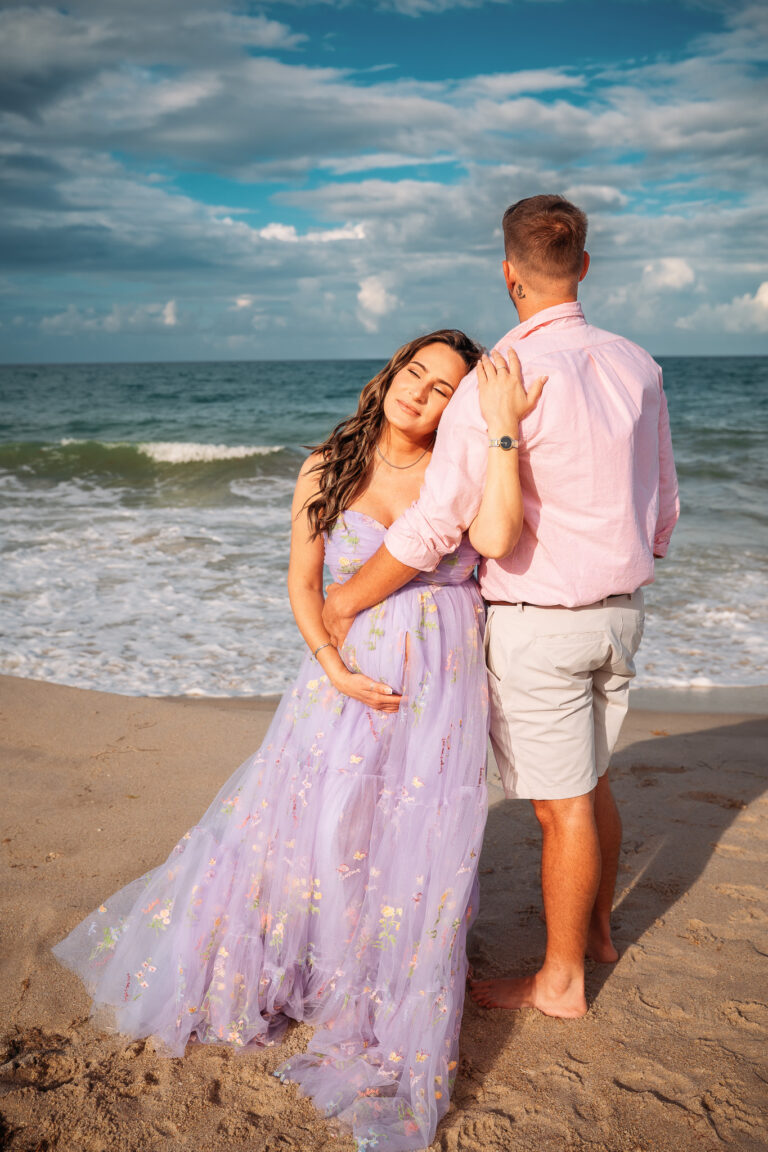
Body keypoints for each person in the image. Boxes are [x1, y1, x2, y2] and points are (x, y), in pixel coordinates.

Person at [53, 328, 546, 1152]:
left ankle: (387, 976)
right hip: (341, 678)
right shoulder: (328, 463)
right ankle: (313, 964)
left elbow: (498, 535)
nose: (420, 392)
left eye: (442, 387)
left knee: (413, 836)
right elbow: (303, 579)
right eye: (414, 373)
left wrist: (500, 428)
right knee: (320, 825)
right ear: (392, 373)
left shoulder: (460, 463)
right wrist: (330, 664)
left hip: (442, 681)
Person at [323, 195, 680, 1021]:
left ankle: (560, 981)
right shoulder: (639, 363)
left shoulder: (500, 379)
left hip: (542, 624)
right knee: (588, 781)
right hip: (622, 614)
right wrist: (624, 564)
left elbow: (434, 524)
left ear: (509, 275)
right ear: (584, 266)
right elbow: (663, 503)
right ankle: (593, 933)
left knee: (560, 807)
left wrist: (345, 598)